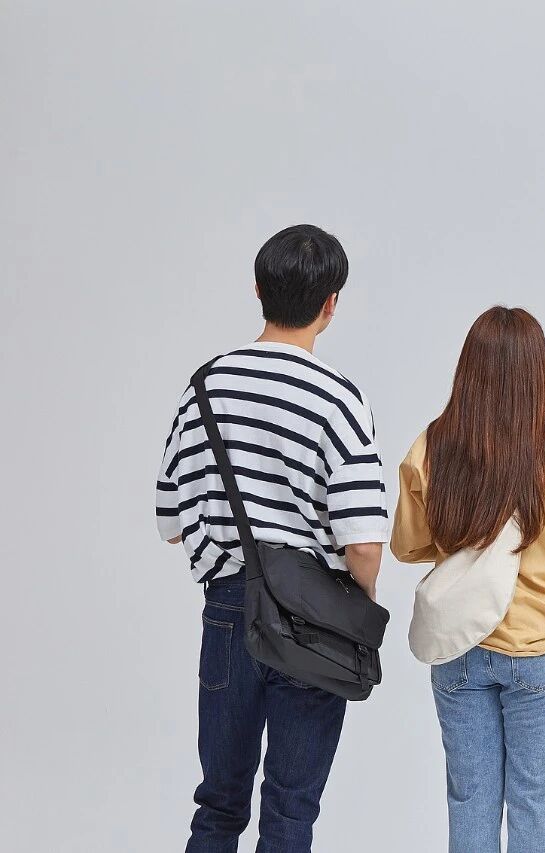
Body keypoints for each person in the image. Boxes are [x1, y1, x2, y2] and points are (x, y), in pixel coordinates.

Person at [155, 224, 389, 852]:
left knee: (218, 805)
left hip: (228, 612)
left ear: (257, 289)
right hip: (317, 621)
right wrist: (357, 605)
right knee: (290, 814)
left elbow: (169, 521)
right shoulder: (339, 399)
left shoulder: (204, 387)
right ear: (331, 303)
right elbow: (364, 542)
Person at [391, 306, 545, 853]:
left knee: (470, 800)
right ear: (539, 373)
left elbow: (408, 545)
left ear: (468, 371)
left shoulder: (431, 446)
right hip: (540, 649)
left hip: (460, 647)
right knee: (536, 803)